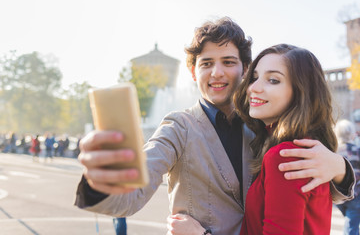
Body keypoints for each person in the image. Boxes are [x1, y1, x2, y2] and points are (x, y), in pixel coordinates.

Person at [75, 17, 355, 235]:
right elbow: (128, 199)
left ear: (246, 69)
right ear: (193, 71)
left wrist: (340, 169)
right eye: (206, 63)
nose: (217, 72)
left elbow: (308, 195)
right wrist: (100, 180)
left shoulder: (264, 128)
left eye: (228, 62)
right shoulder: (177, 128)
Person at [168, 44, 344, 234]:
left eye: (273, 80)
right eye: (254, 78)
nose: (253, 88)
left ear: (301, 92)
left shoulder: (285, 157)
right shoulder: (307, 149)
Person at [335, 119, 360, 235]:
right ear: (352, 133)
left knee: (350, 218)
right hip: (356, 193)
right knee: (351, 224)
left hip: (337, 193)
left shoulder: (334, 151)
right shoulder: (357, 150)